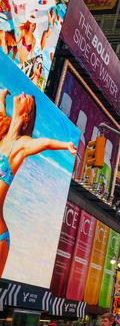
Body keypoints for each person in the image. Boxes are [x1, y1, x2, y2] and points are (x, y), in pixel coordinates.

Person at [0, 89, 77, 277]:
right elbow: (1, 113)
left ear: (26, 116)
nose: (24, 94)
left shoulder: (22, 144)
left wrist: (65, 145)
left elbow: (44, 143)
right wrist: (2, 96)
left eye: (28, 99)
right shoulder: (2, 135)